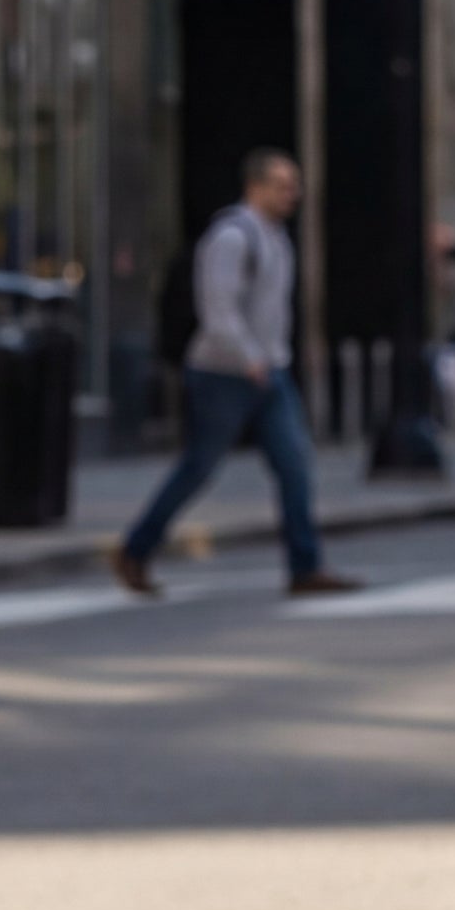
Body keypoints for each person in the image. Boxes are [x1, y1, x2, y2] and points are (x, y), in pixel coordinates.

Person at [109, 152, 359, 598]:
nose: (292, 195)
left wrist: (273, 359)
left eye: (294, 185)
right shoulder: (231, 236)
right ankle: (135, 549)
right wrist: (249, 358)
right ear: (255, 187)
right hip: (222, 373)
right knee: (198, 467)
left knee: (295, 465)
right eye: (282, 185)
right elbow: (217, 309)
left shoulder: (277, 238)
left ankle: (305, 567)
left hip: (269, 373)